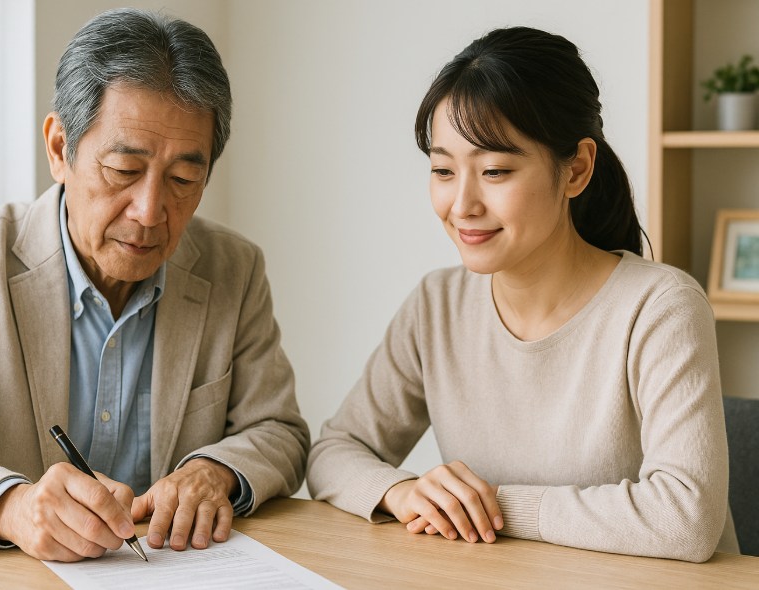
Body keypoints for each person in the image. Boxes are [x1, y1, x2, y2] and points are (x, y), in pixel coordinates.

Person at [0, 8, 309, 561]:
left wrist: (213, 471)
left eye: (182, 179)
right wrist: (14, 507)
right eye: (124, 170)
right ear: (59, 148)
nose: (151, 212)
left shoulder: (233, 269)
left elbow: (281, 430)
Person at [306, 26, 738, 563]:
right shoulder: (436, 306)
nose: (461, 204)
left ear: (576, 169)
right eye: (442, 170)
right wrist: (403, 492)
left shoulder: (661, 307)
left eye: (495, 171)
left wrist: (493, 507)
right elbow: (333, 451)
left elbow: (686, 519)